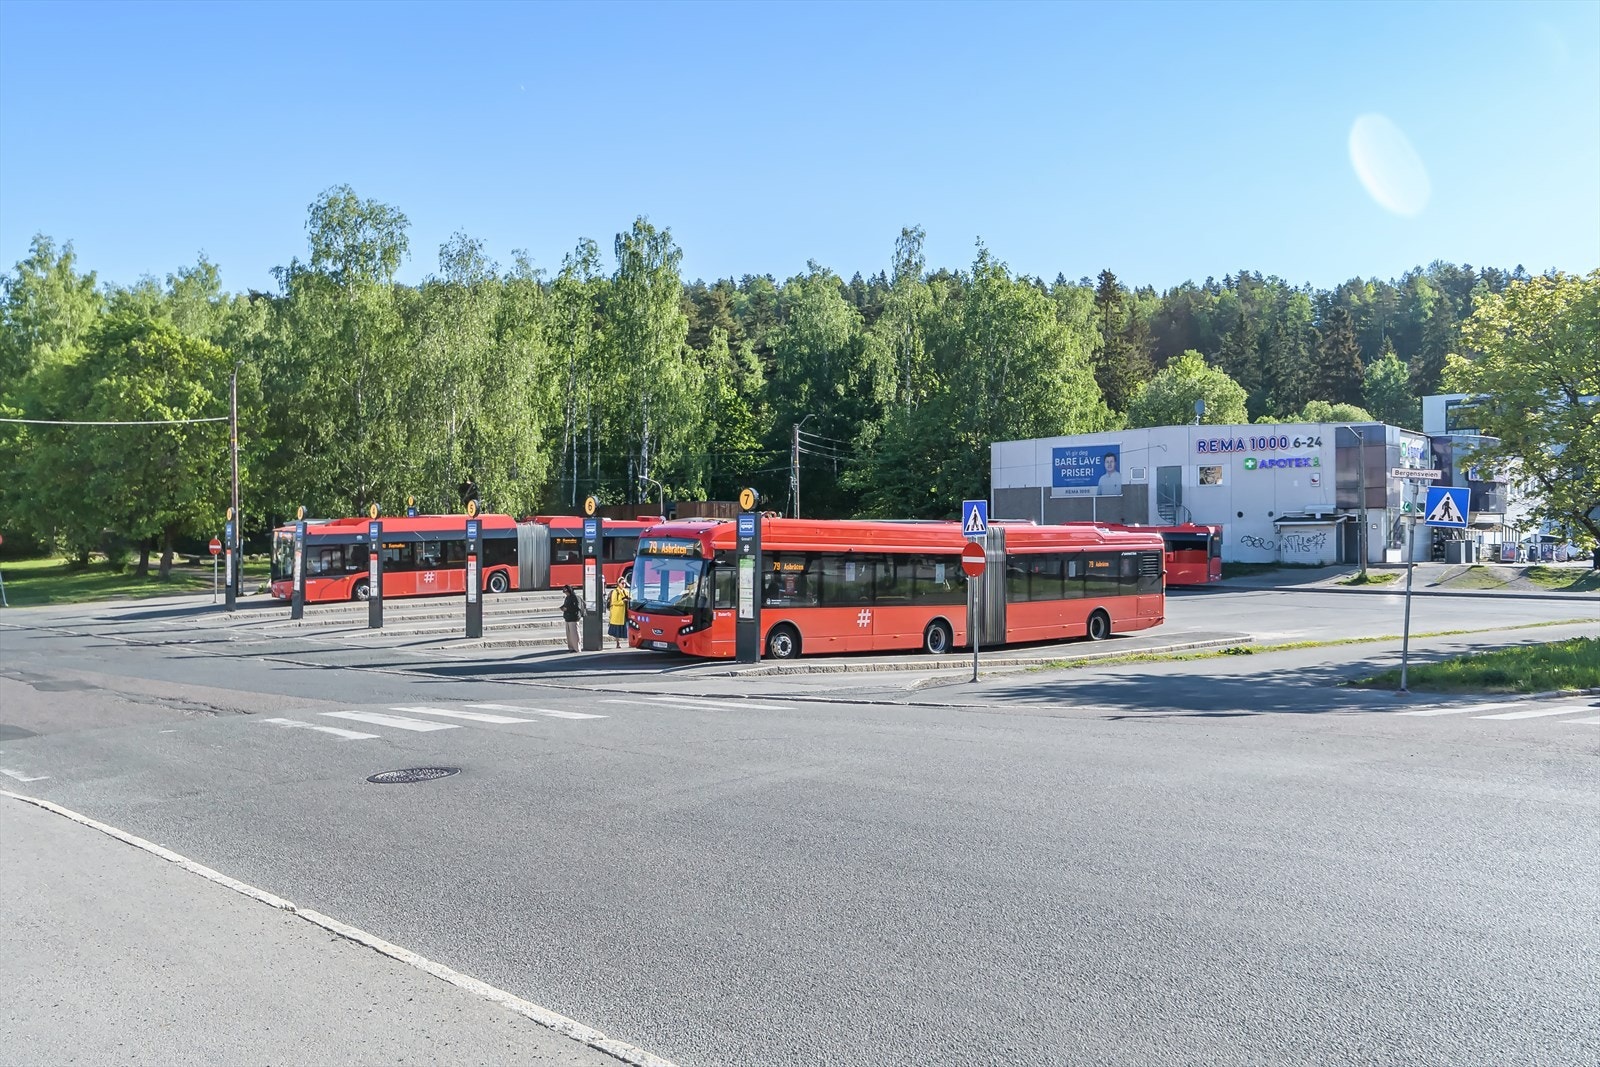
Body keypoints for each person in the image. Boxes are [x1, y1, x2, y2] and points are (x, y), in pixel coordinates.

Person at [607, 575, 630, 649]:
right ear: (618, 583)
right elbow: (614, 602)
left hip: (625, 613)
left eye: (624, 583)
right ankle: (618, 643)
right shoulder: (615, 591)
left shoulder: (626, 591)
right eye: (622, 583)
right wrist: (623, 601)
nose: (624, 584)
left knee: (627, 628)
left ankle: (630, 642)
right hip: (618, 614)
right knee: (617, 629)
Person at [560, 585, 583, 652]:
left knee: (574, 634)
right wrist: (562, 607)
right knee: (569, 635)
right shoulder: (567, 597)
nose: (565, 593)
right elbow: (565, 605)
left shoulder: (575, 597)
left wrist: (567, 609)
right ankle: (571, 648)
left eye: (565, 591)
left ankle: (577, 648)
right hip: (567, 618)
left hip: (573, 618)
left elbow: (577, 607)